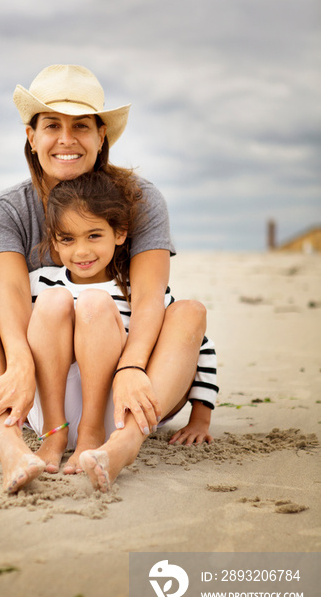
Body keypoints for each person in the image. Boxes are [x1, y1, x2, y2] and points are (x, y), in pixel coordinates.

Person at [0, 64, 217, 494]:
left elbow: (151, 296)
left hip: (129, 384)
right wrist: (20, 366)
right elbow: (13, 295)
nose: (66, 139)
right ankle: (9, 446)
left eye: (81, 126)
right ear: (31, 136)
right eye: (52, 126)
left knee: (189, 311)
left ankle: (123, 445)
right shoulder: (5, 209)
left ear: (101, 137)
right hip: (44, 383)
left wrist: (133, 366)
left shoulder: (141, 198)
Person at [24, 171, 218, 479]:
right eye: (68, 239)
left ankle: (111, 442)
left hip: (121, 410)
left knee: (182, 311)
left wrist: (200, 418)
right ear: (54, 242)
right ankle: (55, 435)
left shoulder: (134, 290)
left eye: (94, 235)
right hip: (53, 406)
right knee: (56, 302)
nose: (82, 251)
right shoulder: (40, 284)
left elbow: (198, 345)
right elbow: (7, 344)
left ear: (120, 233)